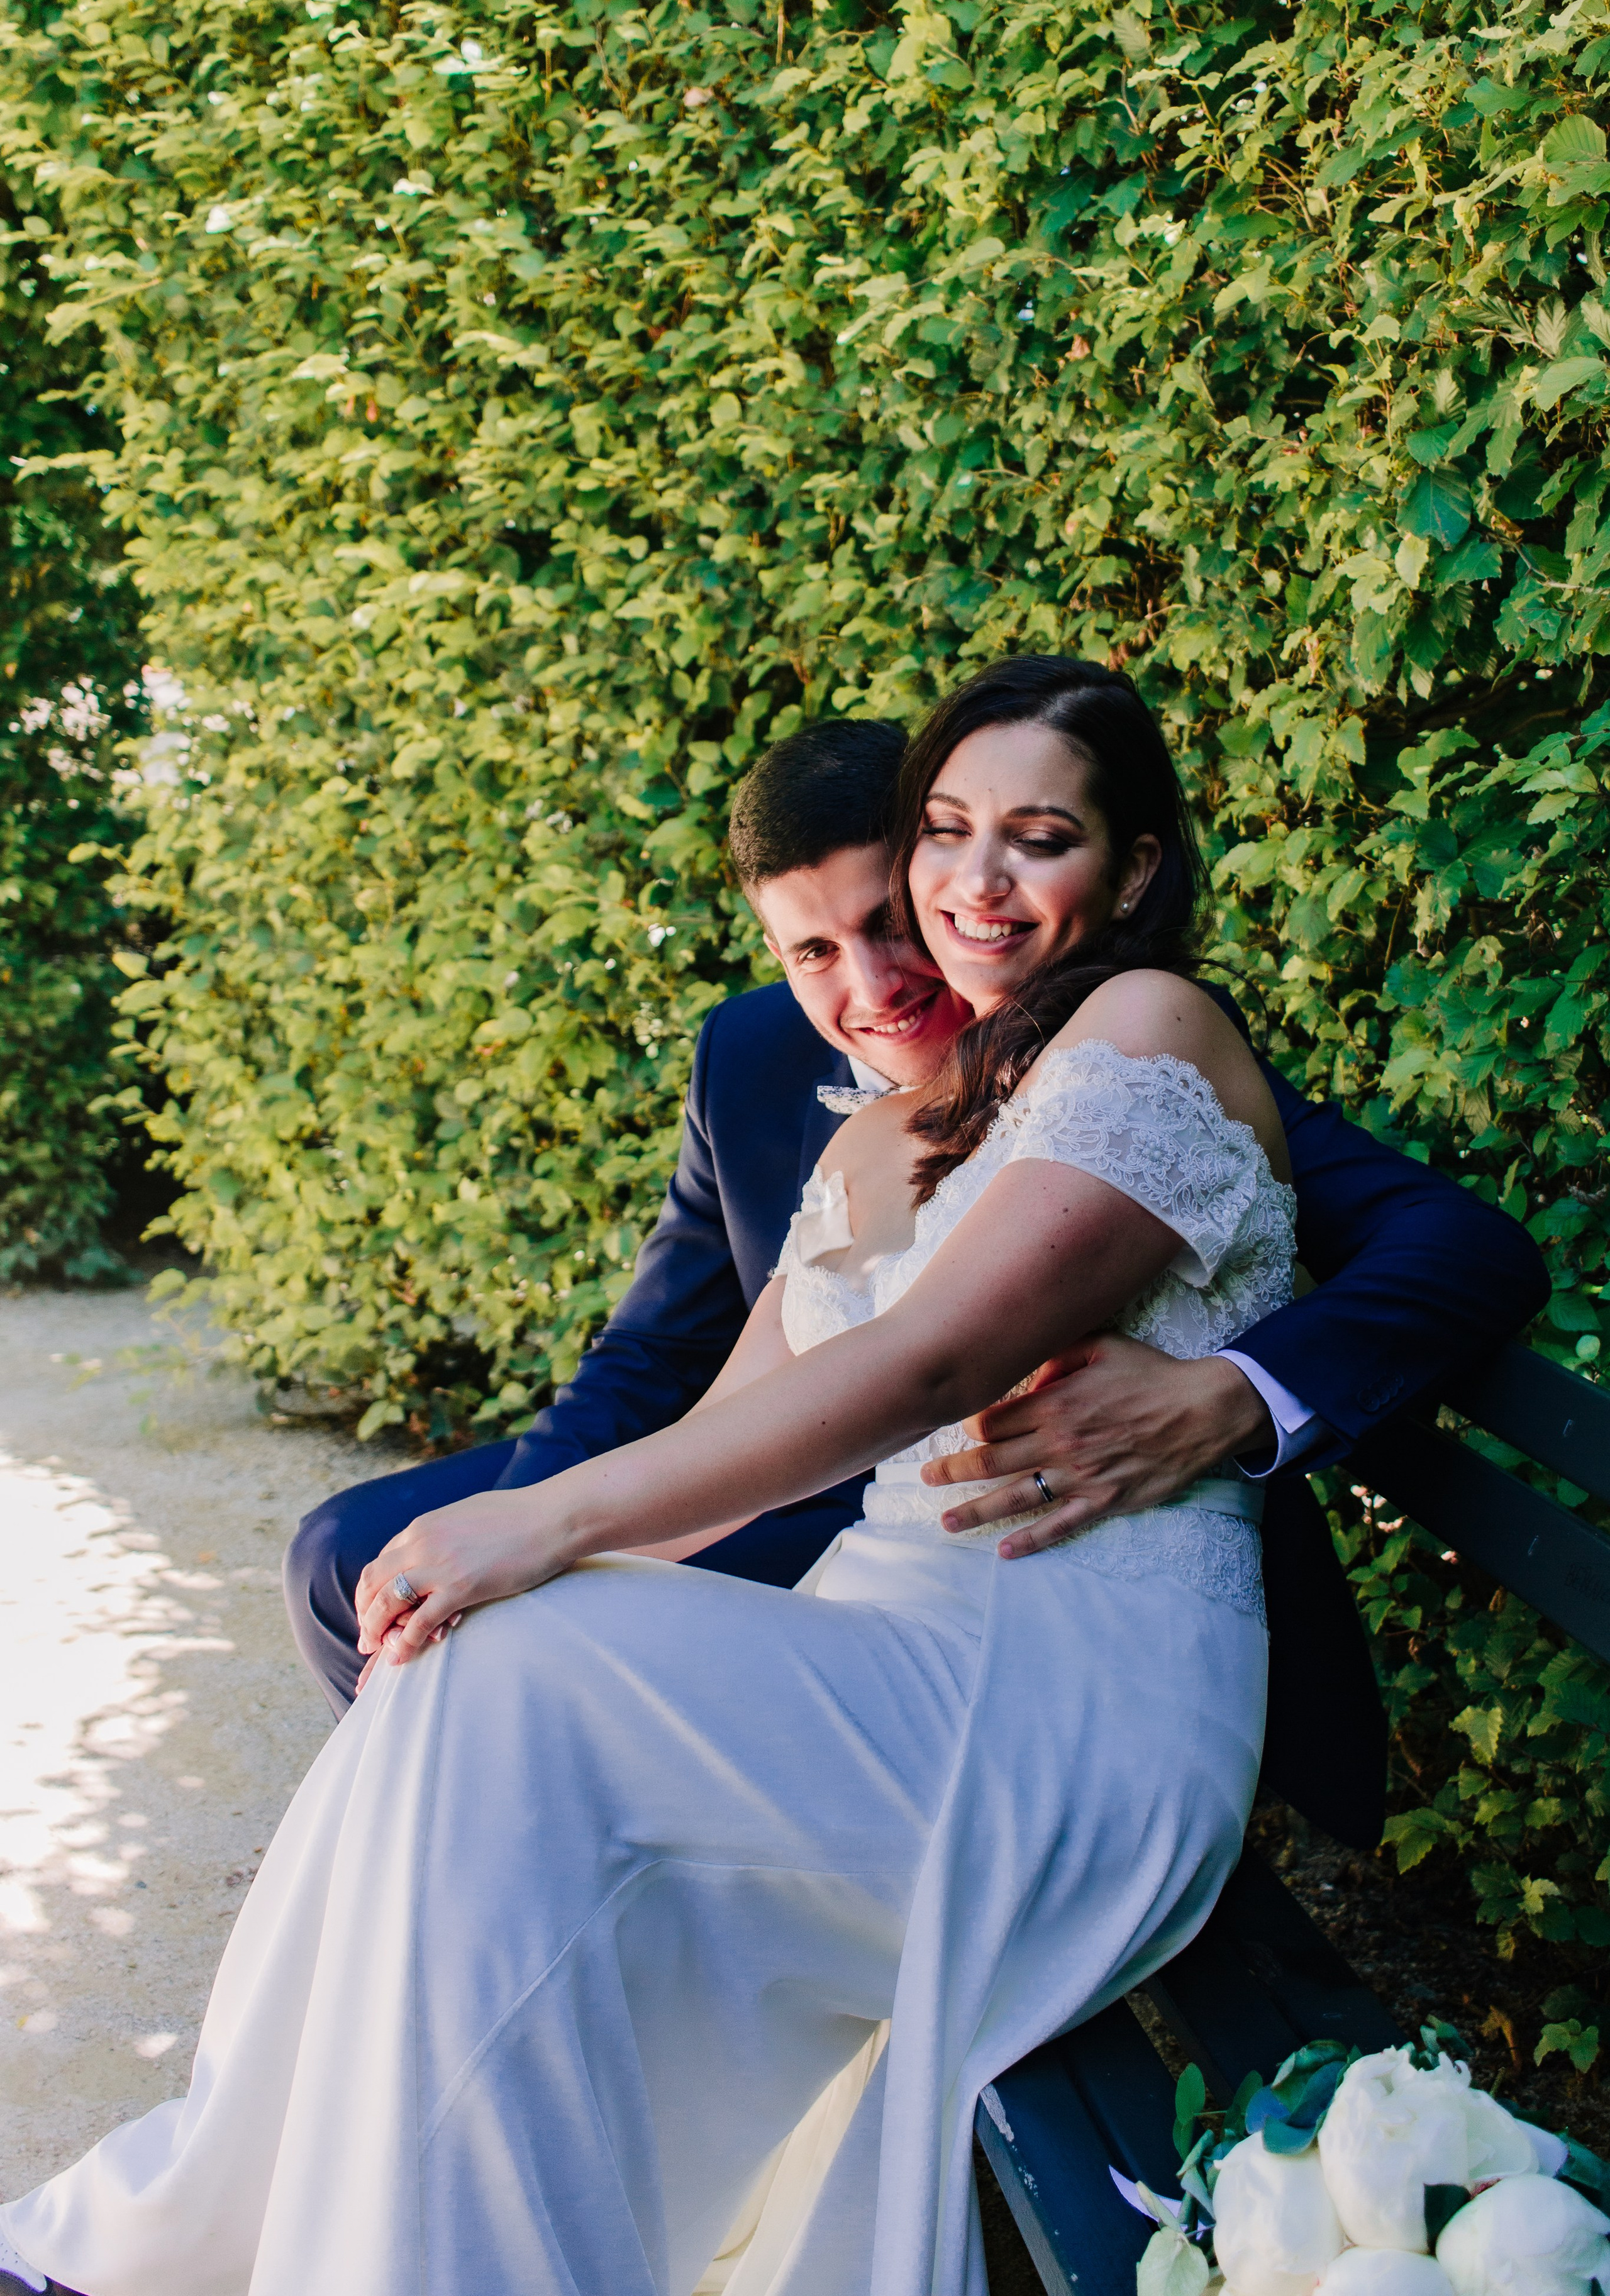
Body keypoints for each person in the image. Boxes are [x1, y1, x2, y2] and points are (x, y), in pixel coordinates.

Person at [0, 663, 1541, 2296]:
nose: (965, 891)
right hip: (886, 1648)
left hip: (1072, 1698)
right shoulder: (882, 1131)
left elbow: (939, 1362)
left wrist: (1238, 1396)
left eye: (1037, 838)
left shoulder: (1152, 1032)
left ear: (1137, 868)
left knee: (521, 1693)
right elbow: (708, 1420)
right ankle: (214, 2239)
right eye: (950, 833)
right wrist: (536, 1563)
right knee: (462, 1685)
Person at [285, 692, 1546, 1848]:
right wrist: (523, 1527)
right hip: (793, 1511)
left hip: (1028, 1583)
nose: (875, 986)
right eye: (812, 954)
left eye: (891, 923)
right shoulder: (752, 1060)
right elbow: (656, 1352)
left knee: (518, 1687)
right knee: (362, 1559)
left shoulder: (1128, 1057)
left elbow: (1459, 1250)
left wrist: (1225, 1396)